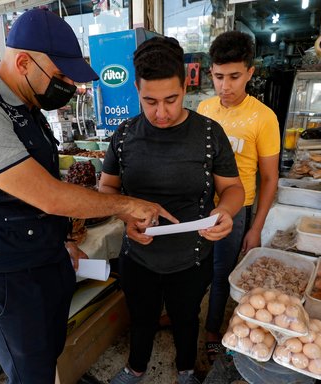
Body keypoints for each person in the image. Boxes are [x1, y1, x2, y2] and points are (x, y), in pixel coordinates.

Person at [0, 9, 174, 384]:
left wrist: (60, 240)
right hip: (5, 281)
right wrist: (126, 206)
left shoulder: (28, 108)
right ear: (24, 61)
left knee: (47, 356)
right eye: (60, 76)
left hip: (45, 265)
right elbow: (47, 195)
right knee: (31, 374)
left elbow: (37, 187)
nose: (68, 86)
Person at [99, 37, 244, 384]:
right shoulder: (124, 136)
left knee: (186, 317)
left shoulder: (209, 134)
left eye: (171, 100)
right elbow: (106, 189)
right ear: (136, 89)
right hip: (138, 254)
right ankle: (136, 368)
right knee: (142, 316)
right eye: (149, 101)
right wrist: (125, 215)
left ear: (185, 87)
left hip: (191, 256)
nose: (161, 113)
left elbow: (233, 189)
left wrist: (225, 212)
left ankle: (186, 370)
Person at [197, 30, 280, 361]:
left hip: (237, 209)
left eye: (234, 76)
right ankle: (187, 317)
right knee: (194, 268)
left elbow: (270, 178)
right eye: (218, 77)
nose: (225, 86)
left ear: (250, 72)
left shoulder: (263, 118)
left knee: (221, 274)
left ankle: (213, 330)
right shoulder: (203, 108)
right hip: (200, 206)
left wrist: (256, 227)